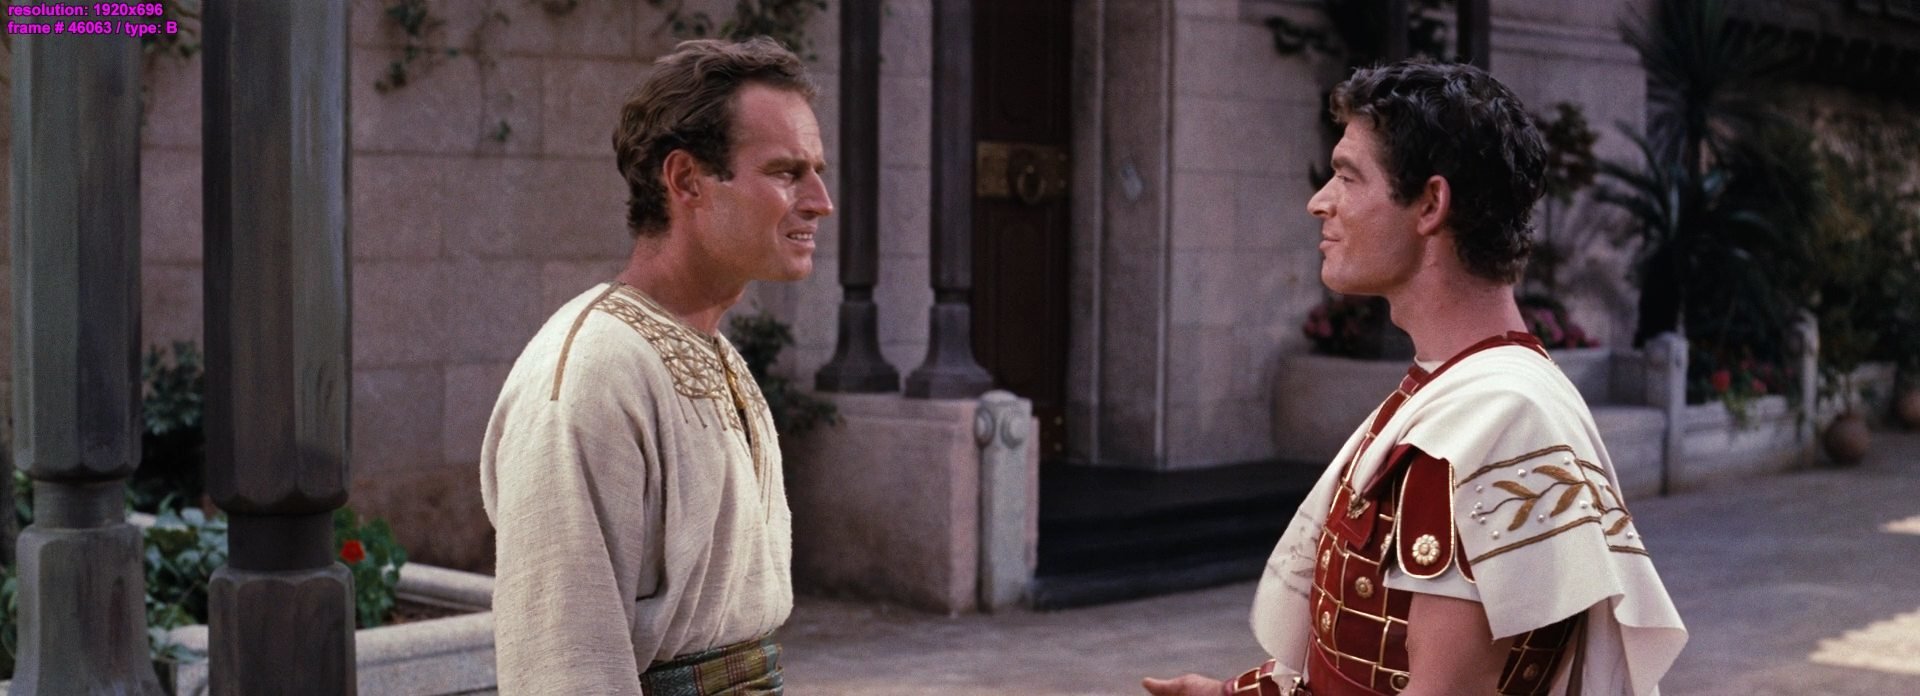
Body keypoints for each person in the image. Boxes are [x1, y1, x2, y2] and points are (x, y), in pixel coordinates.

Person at [1145, 61, 1686, 696]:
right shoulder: (1461, 388)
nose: (1319, 201)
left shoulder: (1493, 420)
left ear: (1430, 204)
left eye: (1348, 176)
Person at [480, 36, 831, 695]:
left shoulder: (714, 351)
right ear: (686, 180)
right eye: (787, 172)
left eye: (817, 170)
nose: (820, 200)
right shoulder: (591, 373)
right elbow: (563, 663)